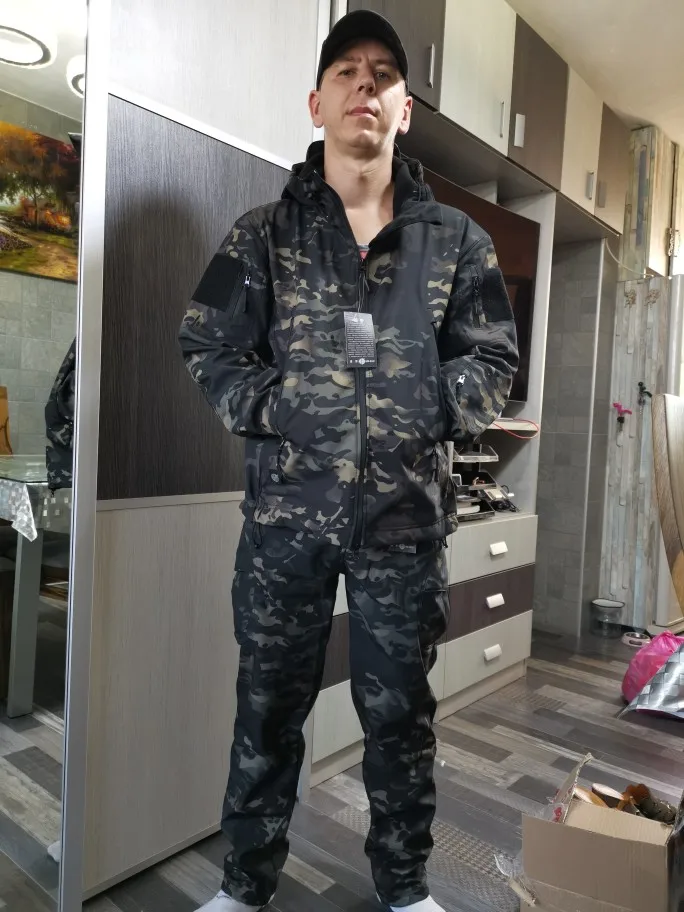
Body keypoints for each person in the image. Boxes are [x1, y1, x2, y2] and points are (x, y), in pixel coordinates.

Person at [179, 10, 518, 912]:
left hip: (404, 530)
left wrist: (422, 408)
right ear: (317, 102)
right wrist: (281, 406)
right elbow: (207, 344)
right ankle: (244, 887)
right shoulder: (261, 235)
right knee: (267, 709)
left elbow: (493, 362)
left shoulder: (459, 242)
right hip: (285, 526)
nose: (366, 83)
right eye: (347, 71)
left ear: (404, 110)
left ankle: (404, 889)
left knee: (400, 717)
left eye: (384, 74)